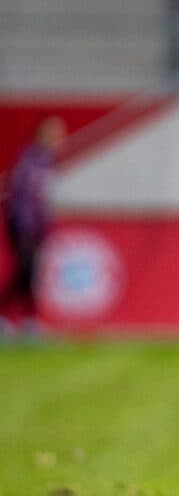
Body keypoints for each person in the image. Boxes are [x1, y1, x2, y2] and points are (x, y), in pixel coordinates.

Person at [1, 116, 66, 334]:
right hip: (23, 226)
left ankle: (28, 321)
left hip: (34, 228)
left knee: (29, 274)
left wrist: (45, 229)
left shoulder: (45, 162)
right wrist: (25, 227)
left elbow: (42, 202)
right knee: (25, 273)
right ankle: (24, 322)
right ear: (41, 135)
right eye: (55, 133)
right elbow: (23, 198)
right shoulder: (30, 161)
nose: (59, 138)